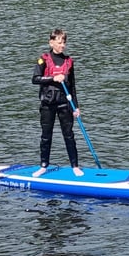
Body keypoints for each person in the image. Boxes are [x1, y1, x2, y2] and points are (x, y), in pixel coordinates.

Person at [31, 28, 83, 177]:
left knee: (69, 135)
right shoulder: (43, 60)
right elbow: (35, 79)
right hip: (48, 104)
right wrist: (53, 78)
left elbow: (72, 86)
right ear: (51, 42)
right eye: (59, 42)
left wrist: (76, 107)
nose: (62, 45)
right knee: (46, 136)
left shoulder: (69, 62)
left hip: (64, 104)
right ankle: (43, 166)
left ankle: (75, 166)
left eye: (64, 42)